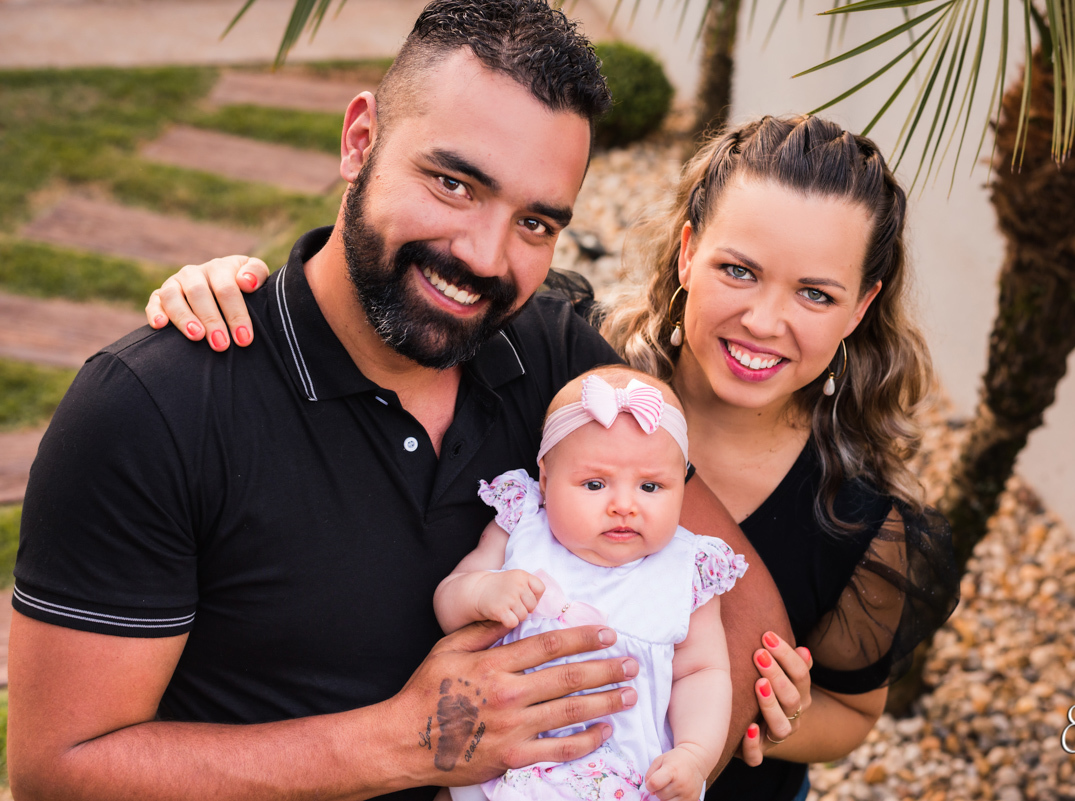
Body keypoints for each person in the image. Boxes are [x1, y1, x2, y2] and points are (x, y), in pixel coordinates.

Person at [6, 3, 794, 800]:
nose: (485, 257)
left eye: (534, 222)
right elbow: (56, 767)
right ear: (360, 141)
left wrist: (662, 773)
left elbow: (747, 622)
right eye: (454, 183)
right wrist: (407, 744)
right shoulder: (152, 410)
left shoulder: (559, 366)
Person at [154, 113, 960, 801]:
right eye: (738, 270)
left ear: (861, 306)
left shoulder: (860, 522)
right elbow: (380, 306)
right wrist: (230, 290)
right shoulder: (562, 370)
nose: (764, 319)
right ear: (687, 253)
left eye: (815, 293)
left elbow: (854, 714)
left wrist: (770, 718)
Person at [435, 367, 746, 801]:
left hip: (620, 776)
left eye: (651, 486)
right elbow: (448, 599)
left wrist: (695, 753)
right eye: (595, 484)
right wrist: (481, 591)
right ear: (546, 480)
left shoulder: (686, 571)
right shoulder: (523, 528)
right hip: (501, 760)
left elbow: (703, 673)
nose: (624, 506)